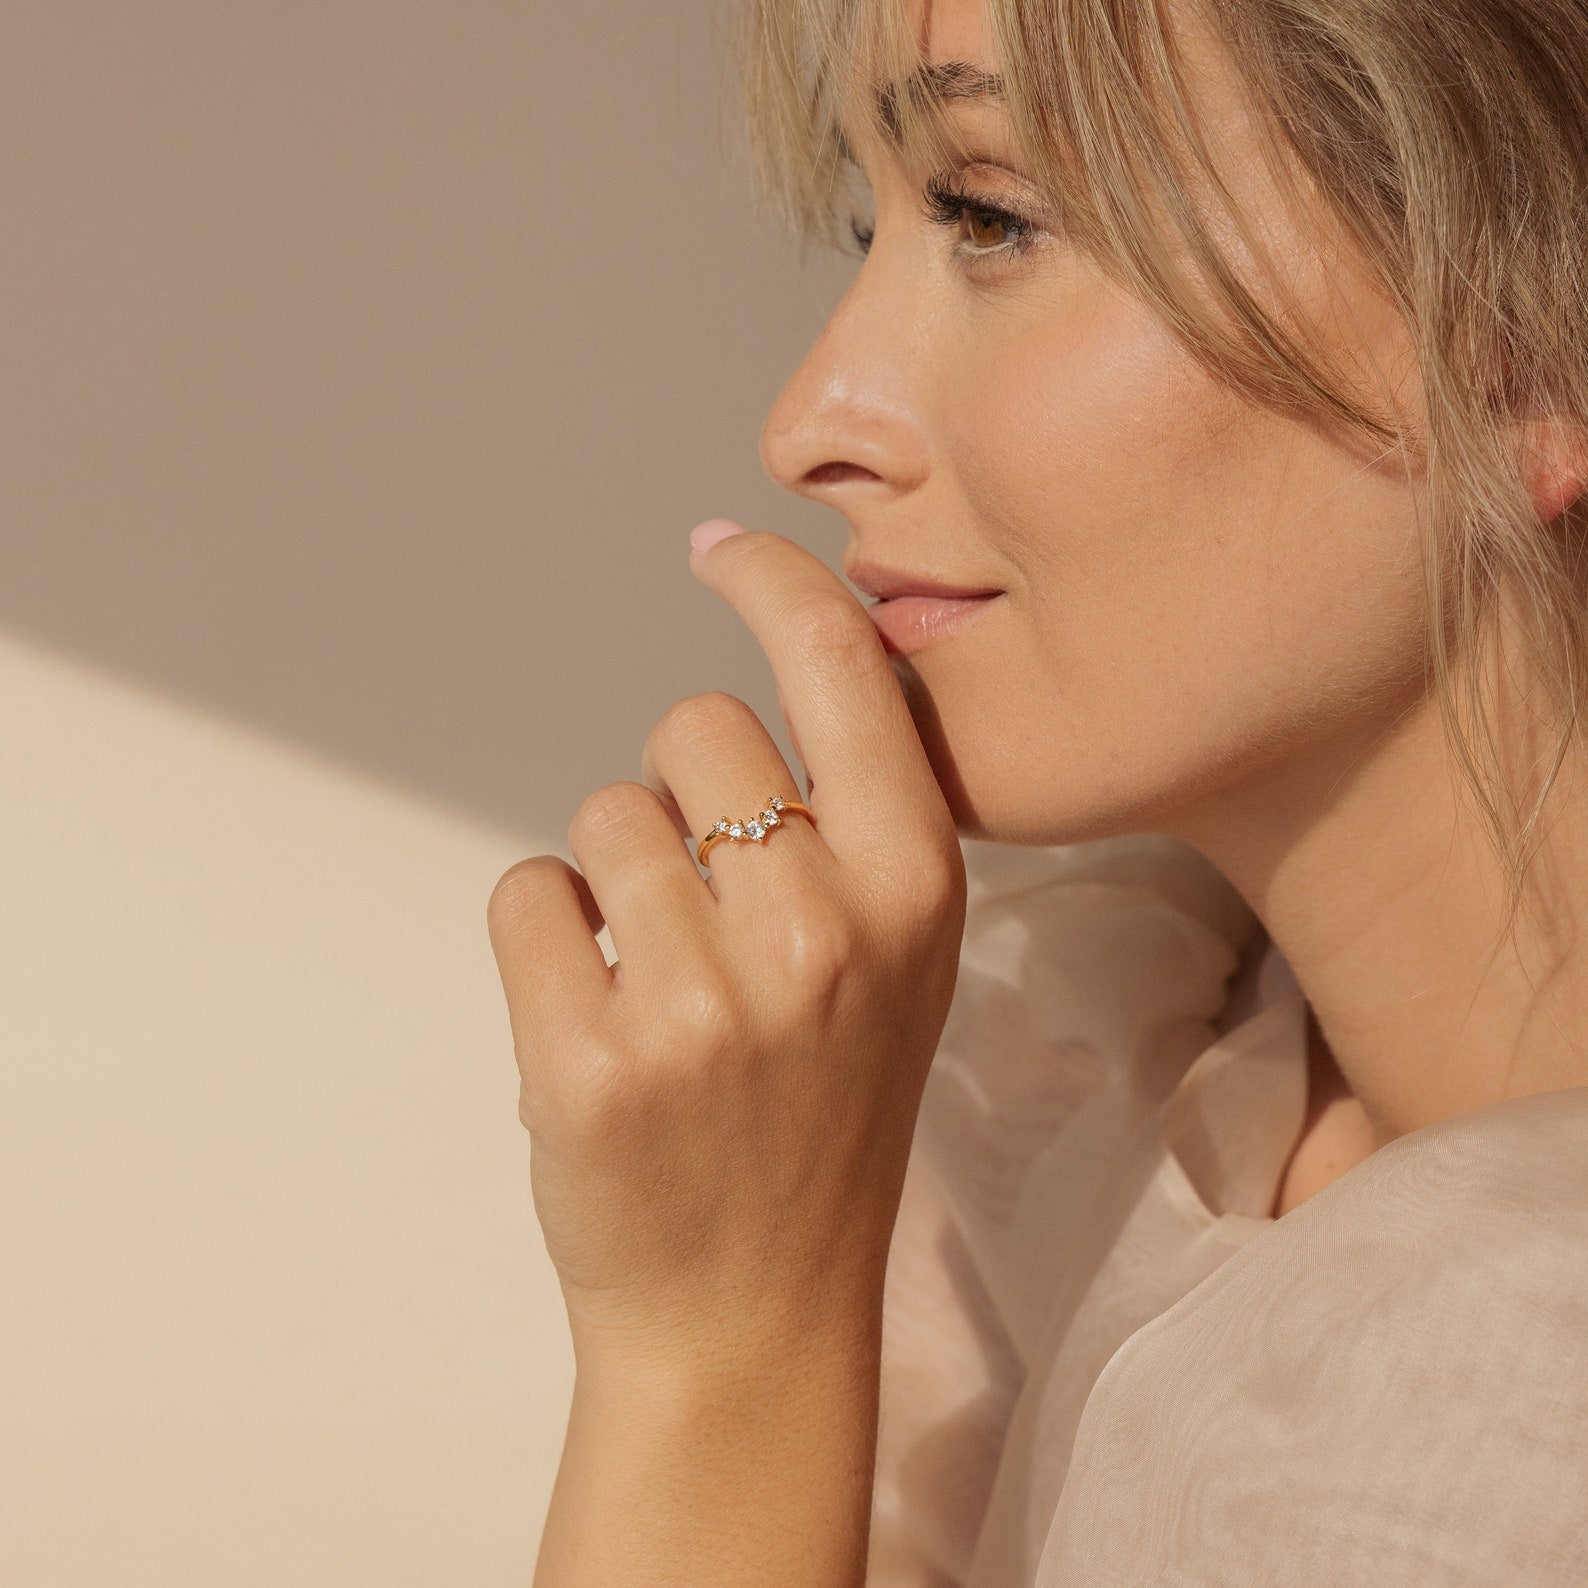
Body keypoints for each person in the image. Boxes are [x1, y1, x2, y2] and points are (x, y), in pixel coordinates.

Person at [486, 0, 1588, 1581]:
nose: (806, 427)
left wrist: (724, 1350)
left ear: (1529, 345)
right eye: (870, 222)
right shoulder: (1074, 1093)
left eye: (992, 217)